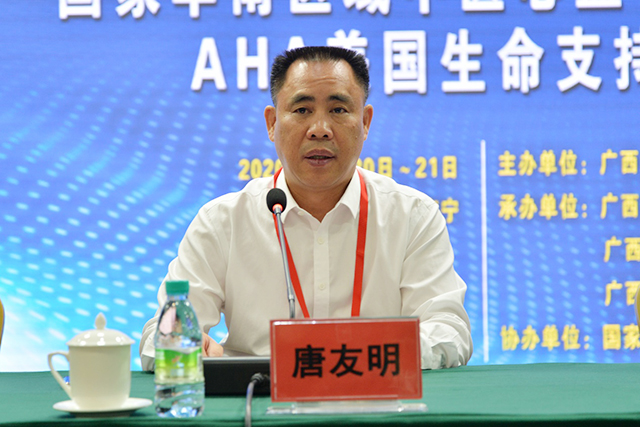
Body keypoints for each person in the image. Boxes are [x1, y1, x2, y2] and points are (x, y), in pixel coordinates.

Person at [140, 46, 472, 371]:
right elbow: (159, 336)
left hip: (375, 397)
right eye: (302, 110)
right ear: (272, 123)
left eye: (338, 110)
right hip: (260, 399)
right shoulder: (223, 222)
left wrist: (367, 357)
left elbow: (449, 329)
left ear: (365, 122)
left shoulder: (412, 216)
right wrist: (184, 344)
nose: (320, 129)